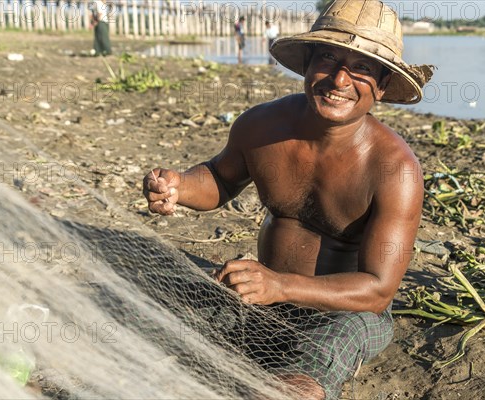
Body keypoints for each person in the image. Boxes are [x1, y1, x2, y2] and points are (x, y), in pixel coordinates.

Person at [143, 0, 433, 398]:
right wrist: (179, 186)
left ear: (381, 86)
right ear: (308, 62)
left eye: (362, 67)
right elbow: (220, 180)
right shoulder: (262, 127)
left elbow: (378, 290)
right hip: (263, 300)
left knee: (309, 371)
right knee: (148, 301)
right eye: (329, 57)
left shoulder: (395, 169)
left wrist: (281, 285)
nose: (340, 80)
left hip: (340, 314)